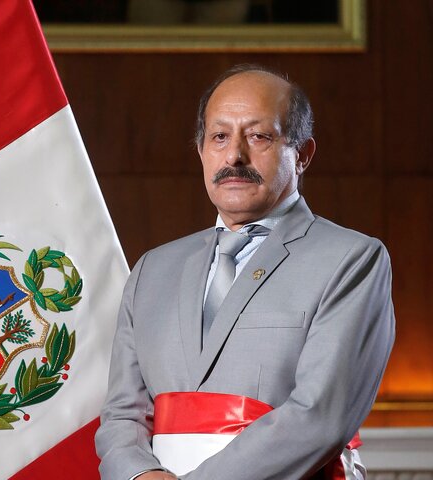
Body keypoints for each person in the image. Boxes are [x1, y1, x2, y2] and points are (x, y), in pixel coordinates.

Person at [95, 64, 395, 479]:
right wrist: (139, 475)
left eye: (258, 136)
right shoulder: (152, 269)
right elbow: (121, 416)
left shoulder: (352, 260)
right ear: (201, 150)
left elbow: (319, 417)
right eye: (219, 137)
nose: (234, 156)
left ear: (302, 155)